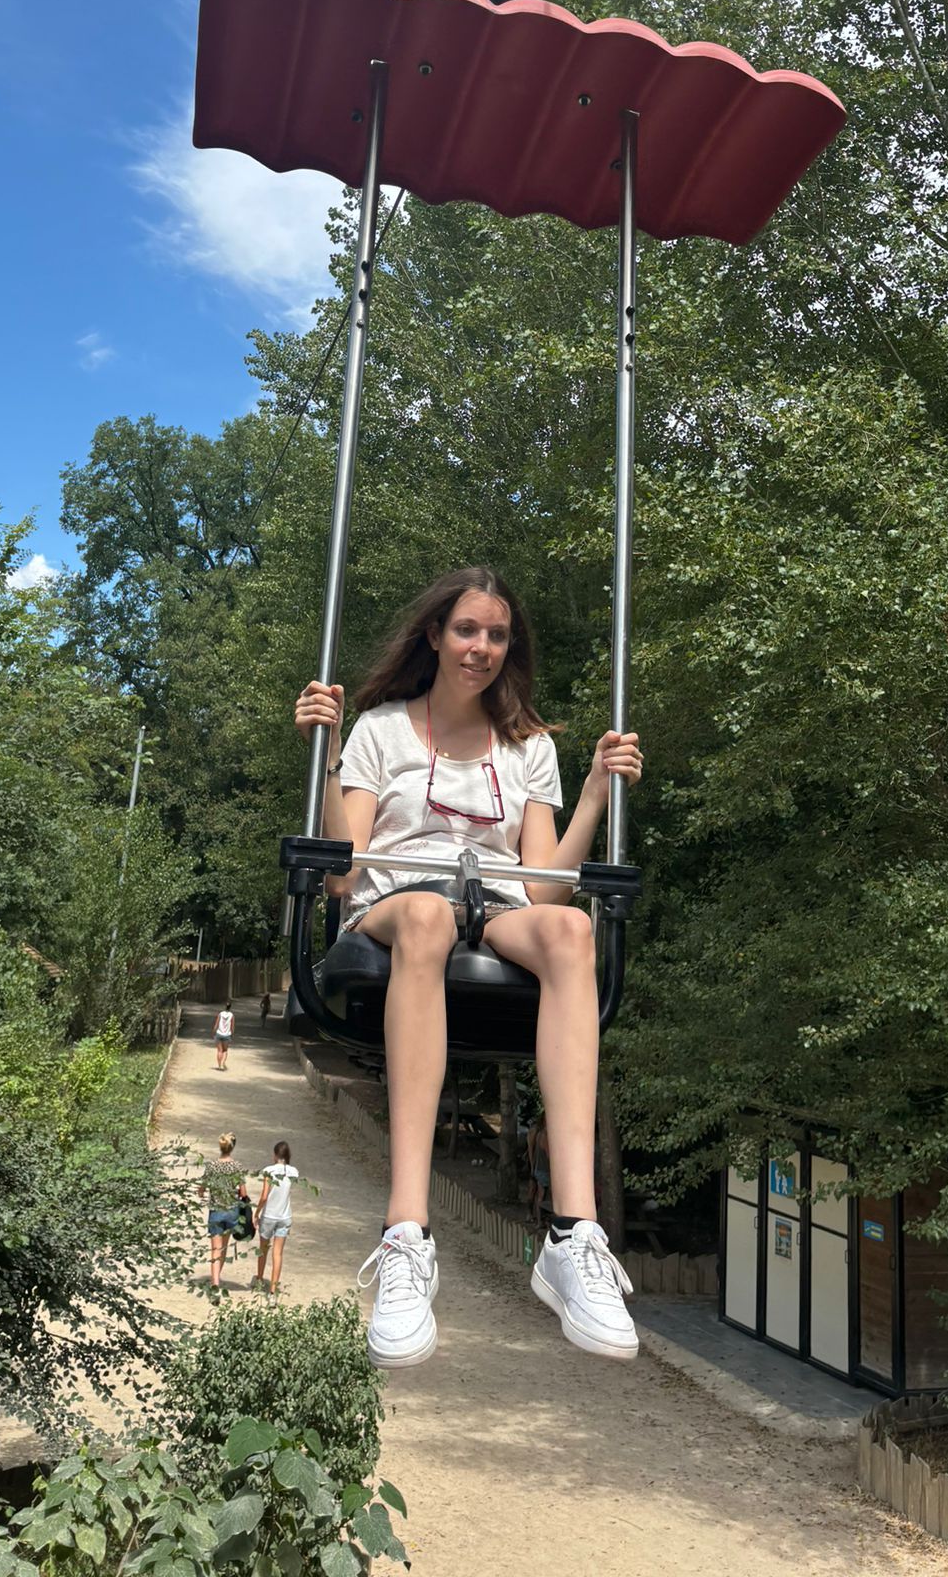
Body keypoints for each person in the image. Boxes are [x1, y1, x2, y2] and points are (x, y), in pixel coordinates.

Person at [294, 565, 644, 1370]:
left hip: (495, 906)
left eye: (497, 635)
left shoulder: (529, 748)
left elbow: (543, 885)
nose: (481, 648)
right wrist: (327, 757)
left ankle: (573, 1233)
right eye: (466, 630)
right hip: (394, 903)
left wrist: (595, 792)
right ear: (434, 635)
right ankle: (406, 1234)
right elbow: (344, 873)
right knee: (426, 913)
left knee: (572, 931)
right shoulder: (382, 730)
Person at [200, 1131, 250, 1293]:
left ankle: (214, 1282)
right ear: (232, 1148)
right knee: (223, 1247)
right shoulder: (237, 1167)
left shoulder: (212, 1166)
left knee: (215, 1249)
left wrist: (203, 1193)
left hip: (216, 1211)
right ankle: (217, 1278)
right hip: (231, 1211)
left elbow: (202, 1188)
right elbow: (243, 1193)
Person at [253, 1139, 299, 1296]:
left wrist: (256, 1213)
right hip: (285, 1216)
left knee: (263, 1249)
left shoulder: (269, 1171)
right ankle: (273, 1291)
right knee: (278, 1253)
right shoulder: (293, 1172)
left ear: (275, 1155)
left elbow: (264, 1196)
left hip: (269, 1215)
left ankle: (259, 1279)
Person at [527, 1115, 551, 1229]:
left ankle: (539, 1219)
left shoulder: (540, 1133)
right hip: (542, 1169)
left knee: (539, 1195)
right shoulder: (543, 1134)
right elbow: (548, 1155)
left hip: (538, 1168)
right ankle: (539, 1219)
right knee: (540, 1195)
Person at [213, 1000, 235, 1071]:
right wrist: (232, 1034)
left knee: (219, 1050)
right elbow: (232, 1026)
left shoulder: (220, 1014)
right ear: (230, 1007)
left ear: (225, 1006)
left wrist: (214, 1032)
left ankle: (219, 1065)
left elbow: (216, 1024)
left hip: (219, 1033)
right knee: (225, 1050)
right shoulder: (231, 1015)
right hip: (227, 1035)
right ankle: (223, 1062)